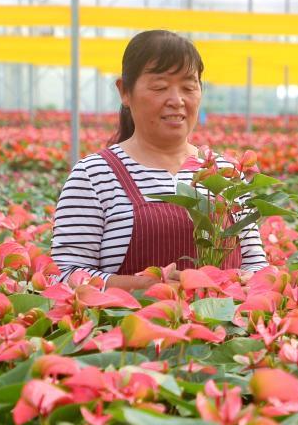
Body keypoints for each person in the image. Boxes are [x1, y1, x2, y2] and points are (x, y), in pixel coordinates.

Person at [50, 30, 269, 290]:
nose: (176, 100)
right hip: (130, 317)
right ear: (125, 92)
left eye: (189, 87)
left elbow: (255, 265)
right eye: (159, 87)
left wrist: (246, 284)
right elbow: (65, 276)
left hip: (223, 317)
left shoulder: (226, 174)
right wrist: (146, 287)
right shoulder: (94, 175)